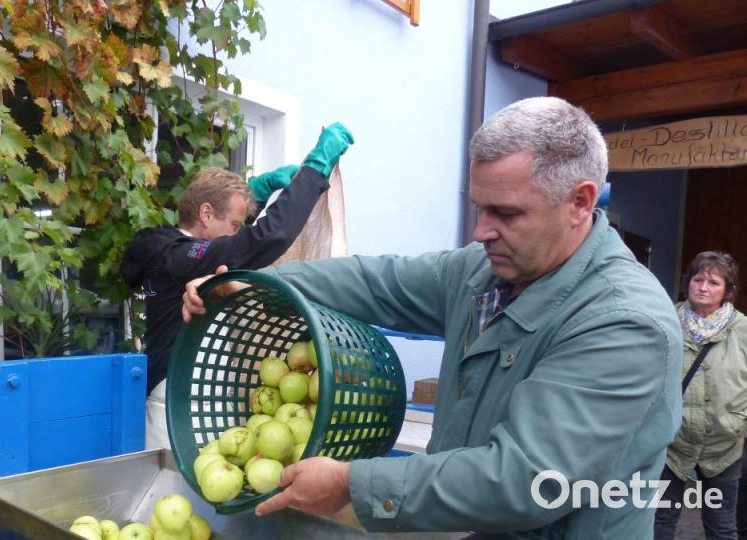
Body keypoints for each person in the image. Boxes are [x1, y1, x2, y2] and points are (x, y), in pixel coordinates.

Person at [182, 97, 684, 538]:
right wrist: (255, 282)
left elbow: (522, 478)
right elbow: (378, 282)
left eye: (505, 214)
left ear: (580, 202)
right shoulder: (484, 271)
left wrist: (352, 484)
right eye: (478, 207)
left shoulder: (624, 323)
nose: (482, 232)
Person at [120, 123, 353, 449]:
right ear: (205, 213)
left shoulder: (173, 253)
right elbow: (267, 239)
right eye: (234, 224)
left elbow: (233, 246)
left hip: (194, 389)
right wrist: (315, 172)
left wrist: (256, 193)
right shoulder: (180, 257)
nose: (237, 233)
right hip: (178, 397)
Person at [656, 252, 747, 540]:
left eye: (713, 282)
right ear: (688, 283)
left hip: (724, 444)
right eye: (698, 279)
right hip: (671, 442)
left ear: (728, 290)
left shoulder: (743, 329)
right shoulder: (664, 321)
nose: (704, 287)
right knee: (660, 521)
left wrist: (739, 420)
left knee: (721, 527)